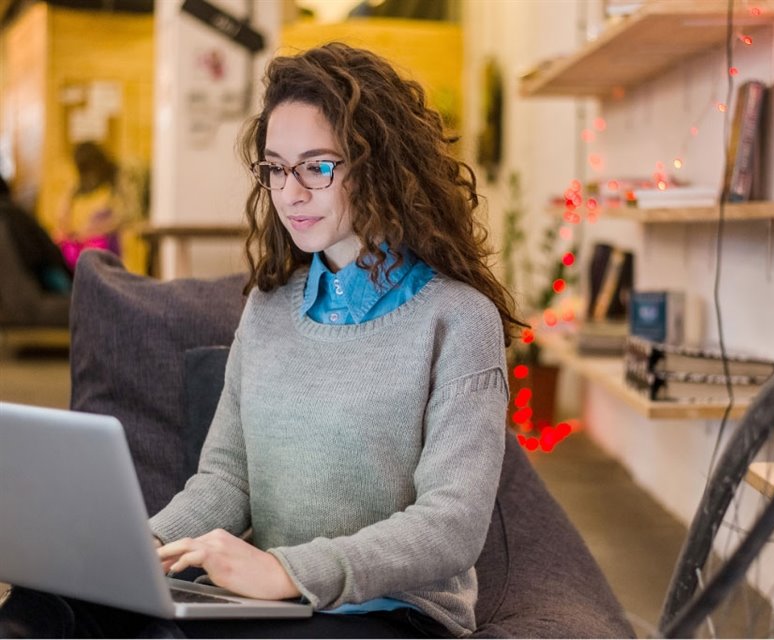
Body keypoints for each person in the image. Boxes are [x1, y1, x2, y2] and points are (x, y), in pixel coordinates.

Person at [0, 42, 524, 638]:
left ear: (381, 166)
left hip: (389, 611)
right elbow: (227, 479)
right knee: (49, 604)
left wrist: (284, 569)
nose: (289, 192)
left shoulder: (458, 319)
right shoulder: (269, 308)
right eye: (275, 167)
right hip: (269, 599)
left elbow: (451, 526)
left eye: (316, 166)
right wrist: (145, 544)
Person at [55, 141, 126, 272]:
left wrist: (90, 232)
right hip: (88, 241)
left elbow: (123, 218)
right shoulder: (76, 189)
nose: (88, 177)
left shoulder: (118, 182)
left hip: (105, 246)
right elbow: (62, 220)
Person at [0, 175, 72, 294]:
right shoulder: (13, 212)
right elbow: (43, 241)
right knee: (70, 296)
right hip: (43, 264)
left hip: (33, 269)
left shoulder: (9, 214)